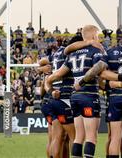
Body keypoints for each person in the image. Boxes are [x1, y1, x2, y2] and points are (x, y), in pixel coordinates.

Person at [45, 25, 105, 158]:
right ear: (94, 36)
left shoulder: (71, 54)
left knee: (78, 137)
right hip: (89, 95)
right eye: (98, 36)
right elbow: (99, 67)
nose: (99, 39)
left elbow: (57, 73)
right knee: (91, 137)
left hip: (74, 97)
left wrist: (48, 83)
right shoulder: (96, 50)